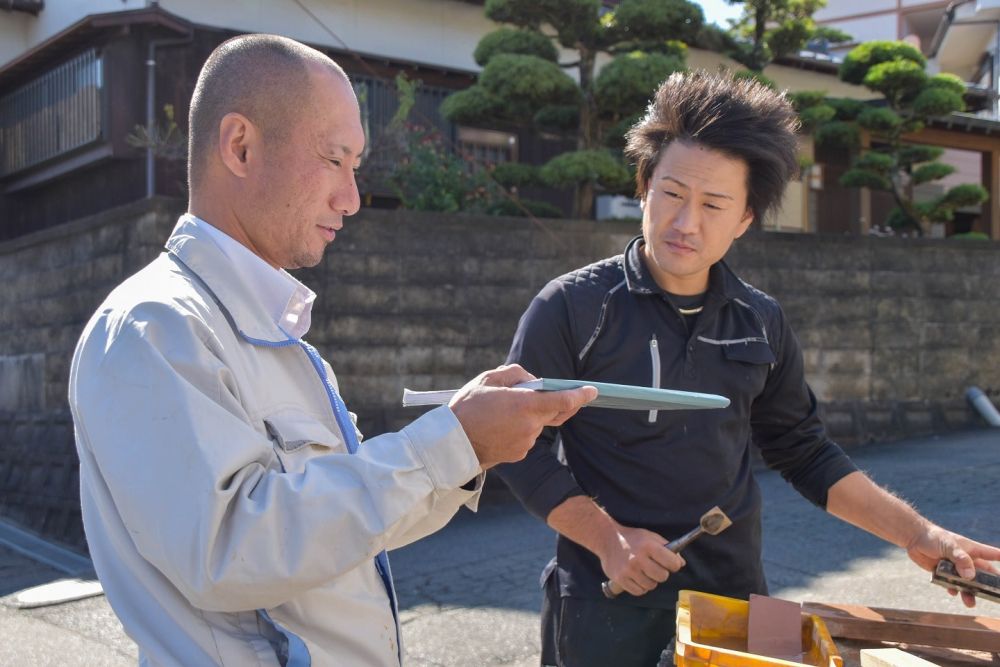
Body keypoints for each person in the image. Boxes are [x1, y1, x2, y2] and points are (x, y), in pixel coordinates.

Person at [67, 34, 596, 667]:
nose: (352, 198)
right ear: (240, 146)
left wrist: (463, 445)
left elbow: (343, 530)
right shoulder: (153, 327)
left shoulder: (267, 332)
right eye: (335, 159)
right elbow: (229, 549)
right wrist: (455, 443)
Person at [495, 71, 1000, 667]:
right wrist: (609, 540)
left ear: (744, 219)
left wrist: (918, 535)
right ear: (644, 188)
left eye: (713, 204)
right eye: (672, 193)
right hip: (604, 604)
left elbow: (804, 450)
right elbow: (516, 444)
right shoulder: (574, 307)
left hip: (733, 597)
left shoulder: (759, 321)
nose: (686, 223)